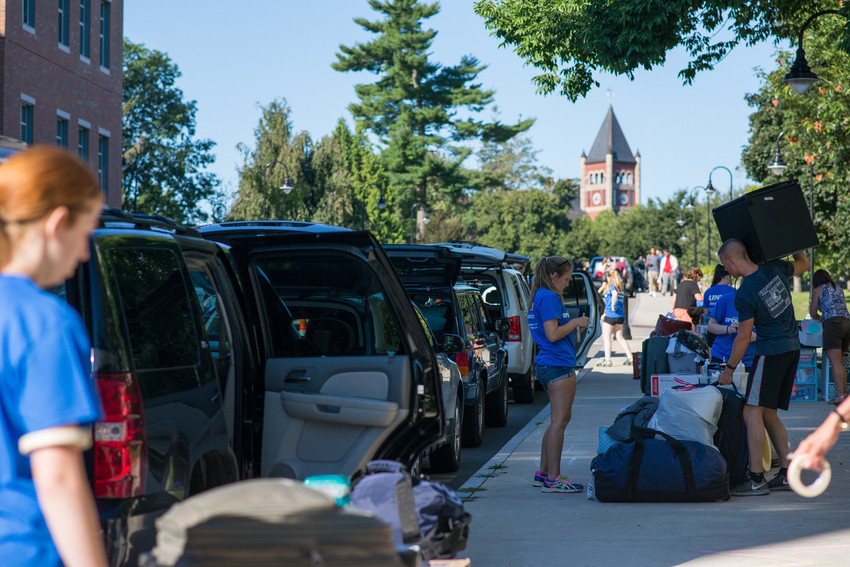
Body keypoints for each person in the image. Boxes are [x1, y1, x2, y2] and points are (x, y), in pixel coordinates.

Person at [0, 147, 108, 566]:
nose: (83, 254)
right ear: (57, 223)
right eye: (85, 235)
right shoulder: (46, 324)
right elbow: (58, 478)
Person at [716, 239, 809, 496]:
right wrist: (790, 239)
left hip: (771, 352)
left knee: (750, 412)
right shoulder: (774, 267)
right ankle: (789, 472)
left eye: (725, 264)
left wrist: (729, 369)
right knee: (768, 413)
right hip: (792, 348)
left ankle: (756, 478)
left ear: (731, 261)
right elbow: (804, 263)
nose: (727, 269)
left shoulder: (745, 293)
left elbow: (744, 337)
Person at [527, 255, 589, 493]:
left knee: (556, 422)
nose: (567, 283)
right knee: (559, 423)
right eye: (566, 279)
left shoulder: (540, 295)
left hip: (548, 363)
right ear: (554, 276)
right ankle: (553, 478)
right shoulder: (550, 296)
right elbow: (553, 334)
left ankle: (543, 473)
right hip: (557, 365)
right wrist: (576, 322)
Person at [808, 269, 850, 405]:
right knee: (840, 362)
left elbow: (812, 312)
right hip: (847, 323)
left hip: (833, 324)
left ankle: (840, 396)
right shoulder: (838, 288)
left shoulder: (818, 290)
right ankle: (843, 395)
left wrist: (820, 317)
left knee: (835, 362)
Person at [708, 291, 756, 370]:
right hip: (722, 357)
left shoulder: (762, 302)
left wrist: (756, 336)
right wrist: (727, 329)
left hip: (749, 361)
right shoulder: (726, 299)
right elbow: (711, 325)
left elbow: (773, 332)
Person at [597, 270, 633, 367]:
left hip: (611, 315)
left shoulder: (612, 286)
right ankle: (630, 357)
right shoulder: (620, 287)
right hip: (620, 315)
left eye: (608, 276)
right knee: (620, 337)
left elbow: (614, 295)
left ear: (611, 277)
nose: (607, 278)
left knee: (606, 338)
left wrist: (612, 306)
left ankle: (607, 360)